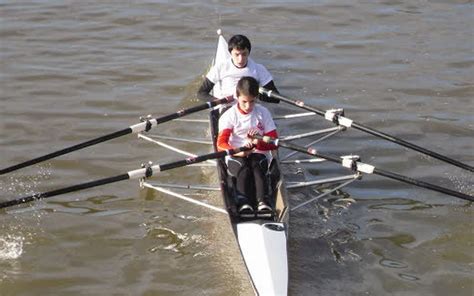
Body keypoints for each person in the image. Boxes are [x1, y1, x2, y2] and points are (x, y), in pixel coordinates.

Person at [217, 76, 278, 216]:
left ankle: (262, 202)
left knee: (257, 166)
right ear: (237, 96)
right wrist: (239, 153)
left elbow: (274, 141)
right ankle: (243, 203)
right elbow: (221, 144)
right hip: (236, 153)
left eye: (252, 102)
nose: (248, 106)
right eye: (244, 102)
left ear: (256, 98)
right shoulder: (229, 116)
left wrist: (258, 143)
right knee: (243, 167)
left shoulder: (263, 113)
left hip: (258, 152)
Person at [197, 34, 280, 104]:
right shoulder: (220, 67)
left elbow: (276, 98)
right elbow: (201, 93)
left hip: (250, 107)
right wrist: (218, 101)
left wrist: (255, 94)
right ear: (230, 53)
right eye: (237, 54)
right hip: (227, 106)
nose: (240, 59)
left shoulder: (259, 69)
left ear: (249, 52)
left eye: (244, 54)